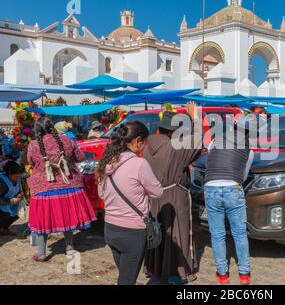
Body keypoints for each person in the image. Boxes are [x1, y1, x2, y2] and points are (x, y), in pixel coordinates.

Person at [142, 102, 202, 285]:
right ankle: (177, 272)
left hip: (153, 197)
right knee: (177, 233)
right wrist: (195, 118)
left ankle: (155, 268)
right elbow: (198, 140)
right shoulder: (175, 148)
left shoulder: (146, 146)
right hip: (174, 196)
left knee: (157, 232)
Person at [97, 121, 163, 286]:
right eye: (144, 143)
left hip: (110, 229)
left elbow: (101, 193)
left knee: (125, 276)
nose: (144, 147)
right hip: (132, 233)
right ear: (138, 141)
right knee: (126, 280)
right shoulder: (139, 164)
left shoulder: (107, 162)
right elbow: (157, 192)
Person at [27, 117, 97, 262]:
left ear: (37, 130)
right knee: (67, 216)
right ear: (53, 127)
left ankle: (41, 253)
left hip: (43, 188)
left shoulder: (33, 145)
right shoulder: (66, 140)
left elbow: (30, 162)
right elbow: (80, 157)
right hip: (69, 186)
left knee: (43, 220)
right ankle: (69, 248)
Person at [204, 118, 254, 285]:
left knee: (217, 234)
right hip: (233, 187)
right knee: (239, 233)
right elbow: (243, 176)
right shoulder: (249, 150)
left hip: (210, 187)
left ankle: (223, 275)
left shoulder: (214, 142)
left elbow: (209, 163)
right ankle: (244, 274)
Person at [0, 161, 25, 236]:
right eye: (16, 176)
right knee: (5, 213)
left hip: (7, 203)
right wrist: (11, 201)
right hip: (3, 203)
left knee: (19, 211)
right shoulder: (2, 183)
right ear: (8, 174)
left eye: (19, 176)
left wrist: (20, 195)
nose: (17, 179)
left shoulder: (18, 179)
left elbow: (18, 190)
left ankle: (4, 228)